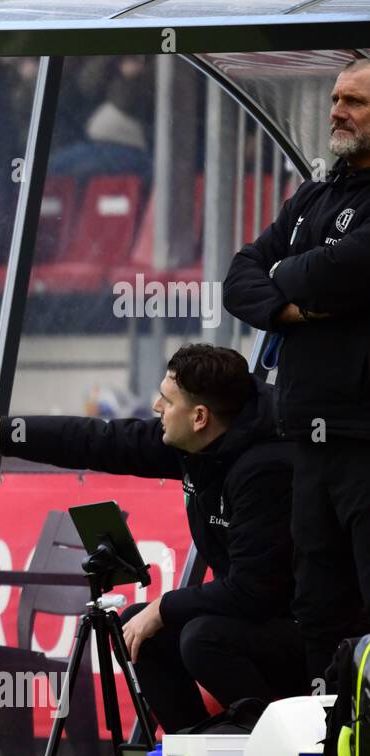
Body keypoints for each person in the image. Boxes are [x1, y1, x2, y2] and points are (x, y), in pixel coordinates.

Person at [0, 344, 306, 733]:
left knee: (200, 638)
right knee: (140, 630)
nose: (155, 409)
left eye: (167, 402)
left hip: (304, 630)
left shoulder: (266, 468)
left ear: (200, 416)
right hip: (256, 616)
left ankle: (281, 750)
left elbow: (254, 591)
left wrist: (165, 606)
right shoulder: (199, 440)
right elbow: (93, 439)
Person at [223, 57, 370, 689]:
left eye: (355, 102)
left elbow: (340, 272)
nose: (337, 110)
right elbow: (240, 274)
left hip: (365, 441)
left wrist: (287, 276)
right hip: (308, 441)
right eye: (336, 97)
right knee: (318, 609)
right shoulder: (315, 193)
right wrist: (290, 302)